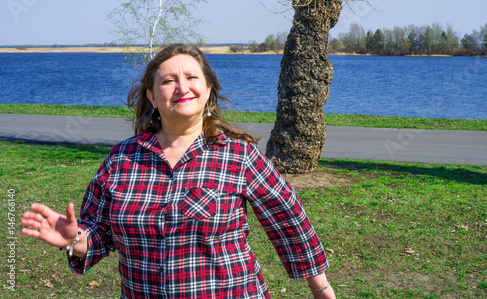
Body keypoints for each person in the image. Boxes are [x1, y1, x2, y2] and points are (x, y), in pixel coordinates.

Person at [21, 43, 336, 299]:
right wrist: (72, 238)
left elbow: (289, 220)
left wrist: (320, 288)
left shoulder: (238, 155)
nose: (181, 87)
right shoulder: (122, 159)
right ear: (152, 96)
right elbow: (97, 231)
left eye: (191, 77)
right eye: (168, 80)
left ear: (208, 89)